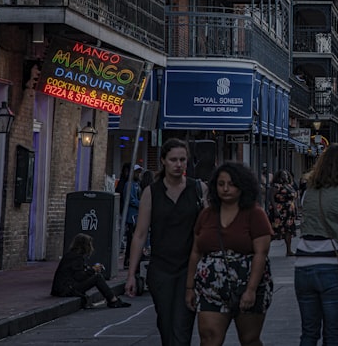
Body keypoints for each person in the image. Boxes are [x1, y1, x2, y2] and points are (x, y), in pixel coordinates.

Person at [125, 138, 207, 346]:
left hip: (190, 268)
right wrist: (131, 275)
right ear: (163, 161)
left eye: (182, 160)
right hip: (160, 268)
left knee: (182, 325)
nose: (178, 164)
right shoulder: (151, 193)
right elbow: (140, 234)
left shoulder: (198, 189)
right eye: (173, 160)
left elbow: (208, 229)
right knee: (165, 324)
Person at [187, 162, 272, 346]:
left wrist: (250, 290)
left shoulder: (255, 214)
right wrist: (189, 287)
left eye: (232, 184)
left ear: (243, 187)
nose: (225, 189)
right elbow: (196, 251)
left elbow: (261, 253)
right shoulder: (206, 215)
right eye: (221, 184)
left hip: (247, 285)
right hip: (210, 288)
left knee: (249, 339)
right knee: (209, 337)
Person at [294, 144, 338, 346]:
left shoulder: (310, 193)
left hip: (303, 264)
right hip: (333, 264)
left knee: (309, 333)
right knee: (334, 334)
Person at [52, 233, 131, 308]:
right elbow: (79, 276)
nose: (91, 247)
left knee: (96, 277)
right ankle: (113, 300)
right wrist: (93, 270)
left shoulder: (71, 255)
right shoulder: (76, 257)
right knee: (97, 278)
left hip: (64, 287)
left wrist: (90, 270)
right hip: (66, 289)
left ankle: (112, 299)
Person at [268, 170, 298, 256]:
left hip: (289, 212)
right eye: (284, 175)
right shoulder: (276, 186)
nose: (286, 176)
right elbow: (271, 198)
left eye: (286, 175)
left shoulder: (289, 186)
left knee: (288, 231)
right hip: (280, 211)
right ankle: (263, 249)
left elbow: (293, 198)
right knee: (275, 231)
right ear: (279, 176)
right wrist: (275, 210)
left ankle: (288, 250)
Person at [123, 166, 142, 268]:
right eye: (137, 172)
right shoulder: (129, 185)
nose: (139, 175)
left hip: (137, 215)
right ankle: (128, 260)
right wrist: (141, 203)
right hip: (131, 216)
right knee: (131, 239)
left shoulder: (137, 185)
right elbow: (130, 199)